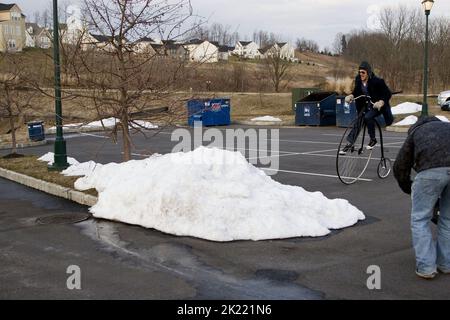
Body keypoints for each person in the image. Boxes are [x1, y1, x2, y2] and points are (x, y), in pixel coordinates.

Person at [393, 116, 450, 279]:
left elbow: (400, 166)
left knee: (420, 220)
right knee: (447, 219)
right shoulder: (447, 127)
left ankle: (426, 267)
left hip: (430, 173)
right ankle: (446, 264)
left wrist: (408, 187)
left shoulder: (416, 132)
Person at [340, 61, 394, 154]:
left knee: (368, 117)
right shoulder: (358, 80)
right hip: (365, 104)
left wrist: (381, 102)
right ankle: (350, 143)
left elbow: (387, 93)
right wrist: (351, 96)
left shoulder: (377, 81)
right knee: (359, 119)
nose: (361, 74)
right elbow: (357, 91)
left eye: (363, 72)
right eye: (359, 72)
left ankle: (373, 140)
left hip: (377, 105)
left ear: (368, 72)